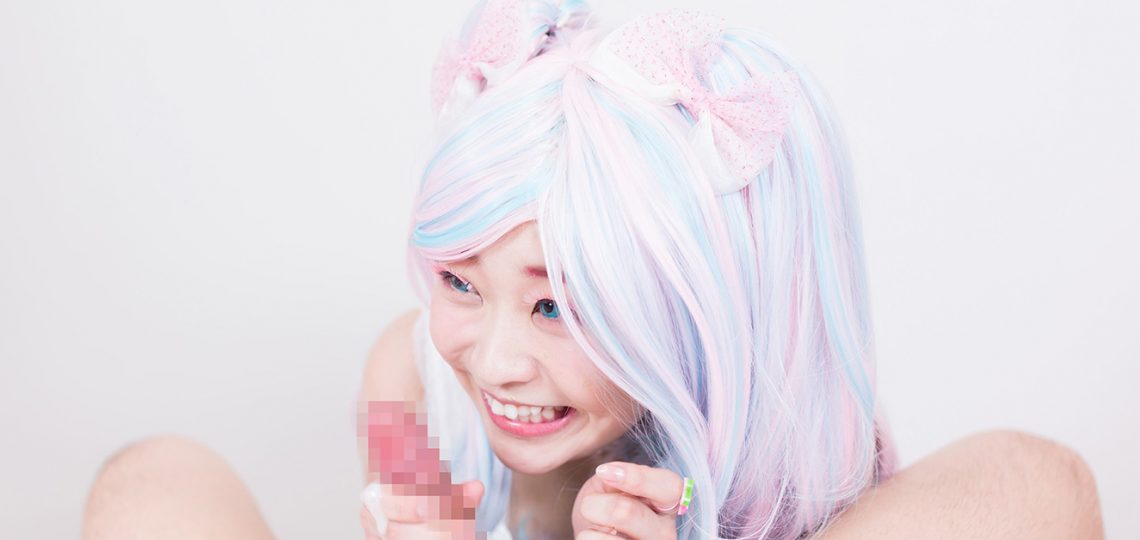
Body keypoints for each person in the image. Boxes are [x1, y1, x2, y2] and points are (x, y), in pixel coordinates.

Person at [81, 1, 1105, 539]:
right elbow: (406, 488)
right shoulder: (410, 375)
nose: (495, 361)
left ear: (708, 312)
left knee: (1028, 476)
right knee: (150, 478)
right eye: (461, 282)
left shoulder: (784, 452)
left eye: (556, 306)